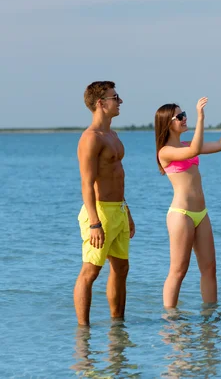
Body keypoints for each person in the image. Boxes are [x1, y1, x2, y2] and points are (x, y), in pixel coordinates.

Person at [155, 95, 221, 308]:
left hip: (201, 214)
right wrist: (201, 118)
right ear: (168, 123)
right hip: (181, 215)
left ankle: (209, 320)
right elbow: (193, 151)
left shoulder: (186, 144)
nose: (184, 118)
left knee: (210, 268)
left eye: (185, 115)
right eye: (179, 116)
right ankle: (170, 320)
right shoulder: (165, 151)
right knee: (179, 270)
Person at [74, 81, 135, 326]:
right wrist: (95, 223)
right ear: (100, 103)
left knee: (121, 269)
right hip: (99, 213)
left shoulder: (113, 135)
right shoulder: (91, 138)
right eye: (115, 97)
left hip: (118, 210)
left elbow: (118, 176)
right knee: (91, 272)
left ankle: (117, 328)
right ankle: (83, 333)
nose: (119, 101)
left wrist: (127, 211)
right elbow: (87, 184)